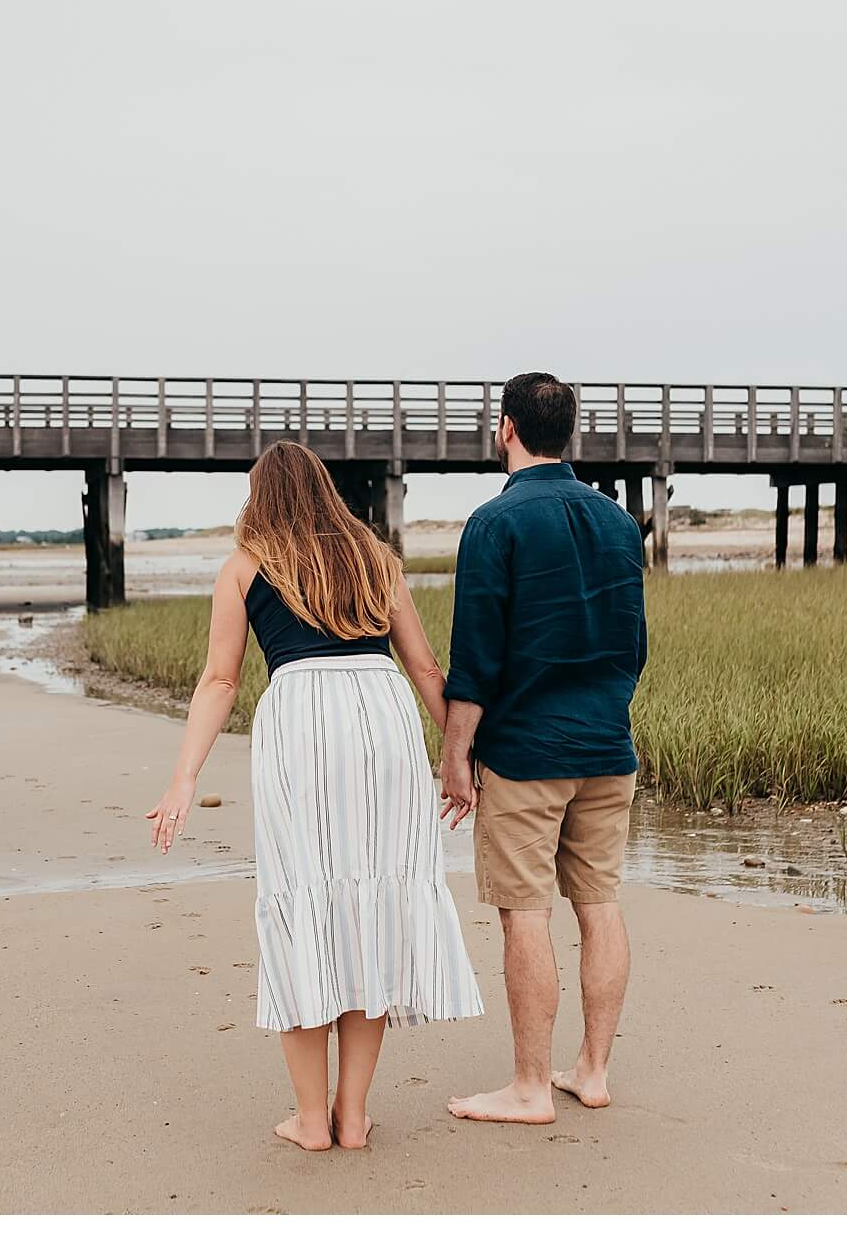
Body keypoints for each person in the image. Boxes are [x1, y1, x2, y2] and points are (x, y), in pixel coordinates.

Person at [148, 441, 483, 1154]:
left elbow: (221, 680)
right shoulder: (375, 559)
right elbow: (425, 665)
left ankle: (311, 1120)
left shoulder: (245, 566)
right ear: (326, 490)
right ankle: (353, 1114)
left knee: (307, 904)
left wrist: (184, 778)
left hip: (301, 721)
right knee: (371, 906)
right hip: (383, 718)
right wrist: (460, 757)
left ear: (259, 495)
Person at [439, 373, 648, 1127]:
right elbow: (636, 646)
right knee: (600, 904)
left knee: (525, 913)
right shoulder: (620, 524)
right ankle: (592, 1070)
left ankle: (531, 1085)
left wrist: (456, 755)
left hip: (527, 753)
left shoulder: (495, 525)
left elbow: (475, 662)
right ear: (570, 434)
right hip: (607, 745)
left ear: (505, 429)